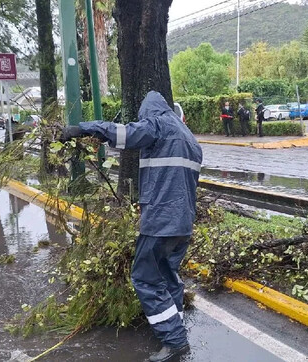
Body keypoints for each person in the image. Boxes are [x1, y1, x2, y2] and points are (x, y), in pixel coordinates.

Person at [61, 91, 202, 362]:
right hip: (183, 223)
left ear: (148, 112)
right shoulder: (191, 139)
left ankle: (175, 341)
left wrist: (82, 129)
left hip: (160, 221)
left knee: (145, 278)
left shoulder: (158, 125)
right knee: (167, 274)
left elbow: (124, 134)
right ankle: (175, 322)